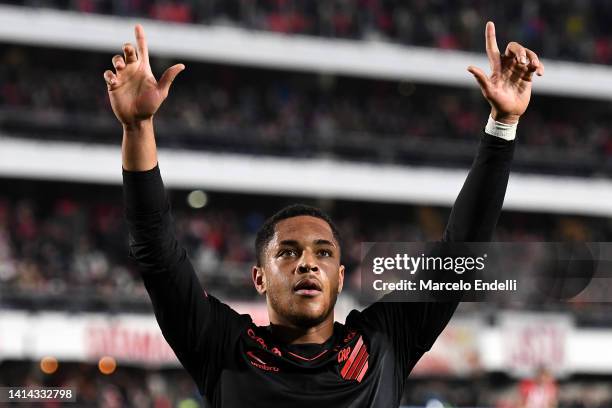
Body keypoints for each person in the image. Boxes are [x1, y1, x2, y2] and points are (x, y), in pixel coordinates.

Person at [104, 22, 543, 407]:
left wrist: (503, 124)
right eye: (288, 253)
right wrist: (137, 127)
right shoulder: (222, 347)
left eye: (323, 253)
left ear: (339, 276)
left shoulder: (384, 343)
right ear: (259, 277)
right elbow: (155, 250)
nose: (307, 262)